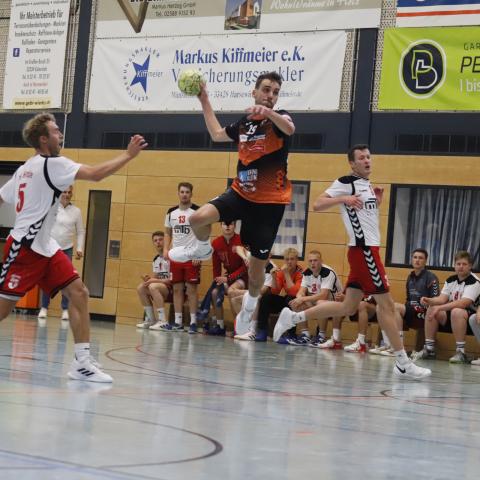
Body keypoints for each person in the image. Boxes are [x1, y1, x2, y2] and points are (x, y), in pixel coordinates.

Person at [0, 112, 146, 382]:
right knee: (3, 310)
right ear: (44, 139)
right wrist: (128, 155)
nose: (60, 134)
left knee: (79, 293)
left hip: (46, 247)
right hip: (24, 248)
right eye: (56, 131)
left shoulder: (25, 168)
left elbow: (1, 197)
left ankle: (82, 363)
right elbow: (96, 175)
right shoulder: (52, 164)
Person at [273, 144, 431, 380]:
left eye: (369, 157)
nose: (367, 160)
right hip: (364, 251)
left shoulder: (366, 185)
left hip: (365, 251)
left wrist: (376, 202)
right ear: (352, 163)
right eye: (362, 158)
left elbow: (362, 216)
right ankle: (402, 362)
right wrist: (343, 198)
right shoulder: (346, 182)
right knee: (387, 306)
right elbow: (318, 204)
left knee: (348, 307)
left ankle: (294, 317)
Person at [168, 71, 295, 337]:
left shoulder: (279, 119)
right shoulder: (244, 123)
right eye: (266, 90)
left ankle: (248, 308)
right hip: (240, 193)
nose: (270, 95)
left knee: (256, 273)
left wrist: (268, 112)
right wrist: (204, 99)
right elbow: (216, 134)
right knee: (196, 218)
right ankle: (202, 248)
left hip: (269, 204)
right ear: (254, 92)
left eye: (275, 92)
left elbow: (289, 128)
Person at [413, 251, 480, 364]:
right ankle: (429, 349)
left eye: (464, 264)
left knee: (457, 311)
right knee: (432, 308)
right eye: (458, 264)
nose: (461, 267)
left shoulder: (474, 282)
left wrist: (440, 308)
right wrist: (429, 300)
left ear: (470, 266)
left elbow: (463, 303)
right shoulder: (451, 280)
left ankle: (461, 352)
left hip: (471, 318)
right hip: (453, 316)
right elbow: (442, 299)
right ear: (454, 265)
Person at [37, 185, 85, 323]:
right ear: (60, 193)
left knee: (66, 280)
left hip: (67, 248)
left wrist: (79, 248)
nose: (67, 194)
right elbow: (43, 226)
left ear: (72, 194)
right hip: (50, 248)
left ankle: (65, 309)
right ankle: (44, 308)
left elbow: (80, 231)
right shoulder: (52, 207)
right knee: (47, 277)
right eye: (64, 192)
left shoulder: (76, 211)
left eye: (69, 192)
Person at [162, 182, 201, 333]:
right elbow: (167, 232)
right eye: (182, 192)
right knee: (177, 289)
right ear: (178, 193)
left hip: (192, 256)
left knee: (191, 289)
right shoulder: (171, 212)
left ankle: (193, 322)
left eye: (187, 192)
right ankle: (178, 322)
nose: (184, 194)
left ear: (191, 194)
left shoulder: (197, 211)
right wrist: (166, 249)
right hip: (176, 256)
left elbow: (203, 233)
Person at [287, 250, 343, 347]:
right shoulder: (306, 273)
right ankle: (305, 335)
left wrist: (303, 299)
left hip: (336, 304)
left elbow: (323, 295)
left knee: (320, 303)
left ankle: (321, 336)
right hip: (318, 302)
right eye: (310, 261)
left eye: (315, 260)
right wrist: (299, 298)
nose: (312, 263)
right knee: (296, 303)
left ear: (321, 261)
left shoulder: (328, 272)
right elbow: (301, 291)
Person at [206, 221, 248, 336]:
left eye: (231, 224)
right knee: (215, 292)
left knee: (231, 291)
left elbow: (245, 267)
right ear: (221, 225)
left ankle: (239, 327)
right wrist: (217, 280)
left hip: (244, 277)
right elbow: (216, 266)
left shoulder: (242, 240)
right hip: (228, 277)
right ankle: (220, 326)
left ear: (234, 226)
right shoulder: (216, 243)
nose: (228, 226)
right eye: (225, 223)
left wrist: (229, 278)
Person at [395, 248, 439, 353]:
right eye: (415, 257)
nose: (417, 260)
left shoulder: (431, 277)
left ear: (425, 261)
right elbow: (408, 299)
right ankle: (389, 345)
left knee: (394, 307)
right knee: (388, 309)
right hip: (411, 309)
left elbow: (436, 299)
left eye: (420, 258)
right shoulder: (410, 277)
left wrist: (428, 301)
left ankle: (397, 347)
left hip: (424, 311)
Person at [254, 247, 303, 342]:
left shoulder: (300, 272)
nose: (289, 262)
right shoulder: (281, 271)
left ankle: (291, 334)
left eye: (292, 259)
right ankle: (262, 330)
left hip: (298, 301)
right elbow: (275, 291)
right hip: (286, 300)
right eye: (287, 259)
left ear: (297, 260)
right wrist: (273, 277)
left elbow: (295, 292)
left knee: (291, 299)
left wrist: (286, 273)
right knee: (266, 298)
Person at [135, 231, 172, 330]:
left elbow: (172, 280)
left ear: (166, 241)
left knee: (153, 286)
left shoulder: (171, 256)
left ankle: (163, 321)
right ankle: (150, 320)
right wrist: (148, 279)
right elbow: (156, 278)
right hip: (161, 287)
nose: (158, 242)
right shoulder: (156, 259)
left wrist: (153, 281)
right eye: (155, 241)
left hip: (173, 289)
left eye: (160, 239)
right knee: (141, 288)